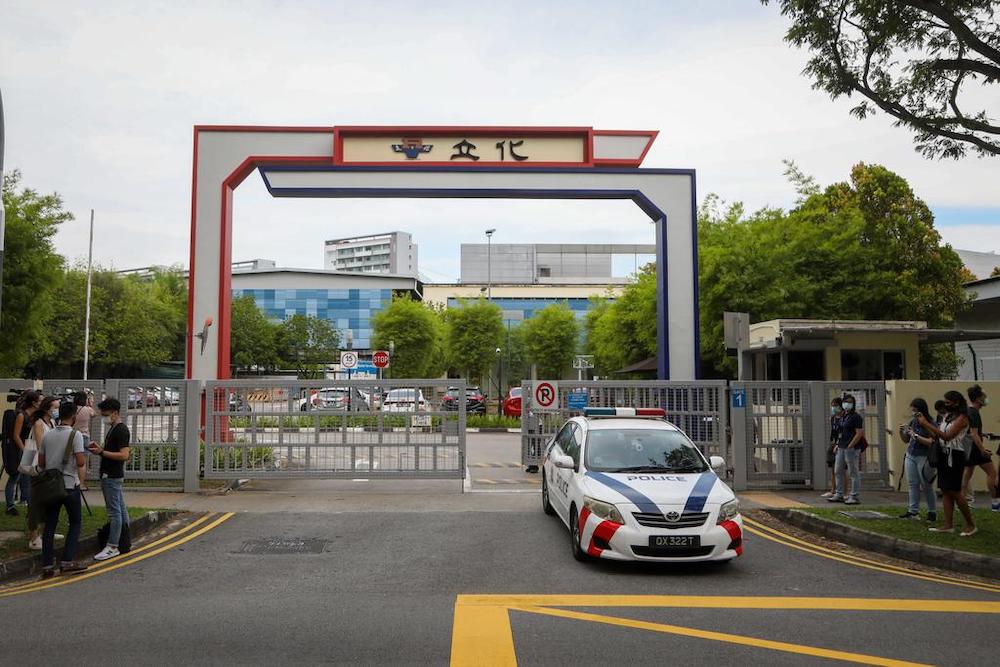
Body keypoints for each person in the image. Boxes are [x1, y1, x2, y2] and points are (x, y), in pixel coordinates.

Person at [37, 401, 88, 578]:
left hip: (52, 487)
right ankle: (67, 561)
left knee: (50, 525)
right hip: (70, 485)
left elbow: (41, 463)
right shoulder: (76, 435)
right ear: (74, 417)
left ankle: (47, 565)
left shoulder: (48, 435)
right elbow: (80, 462)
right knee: (75, 523)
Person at [918, 390, 976, 536]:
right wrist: (924, 426)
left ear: (956, 403)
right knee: (945, 490)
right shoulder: (947, 416)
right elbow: (937, 436)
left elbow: (947, 436)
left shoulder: (962, 418)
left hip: (955, 456)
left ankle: (970, 524)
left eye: (948, 402)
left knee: (955, 491)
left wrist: (926, 423)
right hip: (944, 454)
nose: (946, 404)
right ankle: (948, 524)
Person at [90, 398, 131, 561]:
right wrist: (101, 449)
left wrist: (101, 452)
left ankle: (112, 546)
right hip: (112, 475)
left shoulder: (121, 430)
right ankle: (124, 541)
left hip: (112, 476)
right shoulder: (114, 429)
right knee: (120, 509)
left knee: (114, 512)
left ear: (115, 412)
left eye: (106, 414)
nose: (104, 417)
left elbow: (124, 455)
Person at [25, 396, 59, 550]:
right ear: (47, 408)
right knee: (36, 502)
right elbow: (40, 446)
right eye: (55, 408)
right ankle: (34, 537)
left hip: (49, 465)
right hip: (38, 466)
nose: (56, 410)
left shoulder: (51, 423)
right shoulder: (38, 424)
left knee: (48, 500)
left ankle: (47, 532)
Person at [897, 398, 936, 521]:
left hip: (924, 456)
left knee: (926, 485)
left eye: (916, 411)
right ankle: (913, 511)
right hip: (911, 455)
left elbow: (931, 441)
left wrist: (915, 435)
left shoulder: (930, 422)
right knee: (912, 484)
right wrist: (902, 432)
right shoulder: (913, 422)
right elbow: (906, 440)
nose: (914, 413)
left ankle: (932, 512)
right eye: (913, 410)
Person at [963, 385, 1000, 511]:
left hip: (969, 449)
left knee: (967, 475)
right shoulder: (974, 413)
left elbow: (972, 432)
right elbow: (973, 434)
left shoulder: (969, 411)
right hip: (975, 449)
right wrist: (982, 450)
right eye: (984, 396)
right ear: (978, 399)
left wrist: (982, 434)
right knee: (992, 472)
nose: (986, 398)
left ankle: (961, 501)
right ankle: (996, 503)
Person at [5, 390, 40, 515]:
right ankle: (10, 505)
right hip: (20, 449)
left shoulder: (34, 416)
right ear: (34, 403)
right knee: (15, 477)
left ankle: (27, 502)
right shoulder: (21, 415)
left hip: (29, 448)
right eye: (39, 401)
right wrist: (24, 449)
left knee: (27, 477)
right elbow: (16, 435)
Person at [827, 394, 864, 505]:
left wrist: (850, 445)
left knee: (853, 472)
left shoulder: (856, 417)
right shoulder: (844, 416)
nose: (847, 404)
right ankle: (839, 494)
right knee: (838, 470)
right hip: (841, 447)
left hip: (851, 448)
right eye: (845, 402)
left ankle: (854, 495)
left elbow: (859, 433)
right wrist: (838, 444)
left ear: (853, 404)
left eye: (850, 402)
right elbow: (840, 432)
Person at [821, 397, 843, 499]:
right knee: (833, 468)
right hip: (833, 443)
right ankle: (833, 490)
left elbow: (842, 433)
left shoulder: (844, 417)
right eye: (832, 406)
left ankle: (844, 493)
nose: (833, 408)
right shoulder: (833, 418)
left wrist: (838, 444)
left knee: (842, 470)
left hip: (842, 444)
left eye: (835, 405)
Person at [73, 392, 95, 490]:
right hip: (84, 436)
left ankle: (73, 482)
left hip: (73, 435)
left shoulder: (72, 409)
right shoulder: (87, 409)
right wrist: (89, 405)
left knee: (72, 460)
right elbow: (94, 414)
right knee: (83, 462)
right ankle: (81, 484)